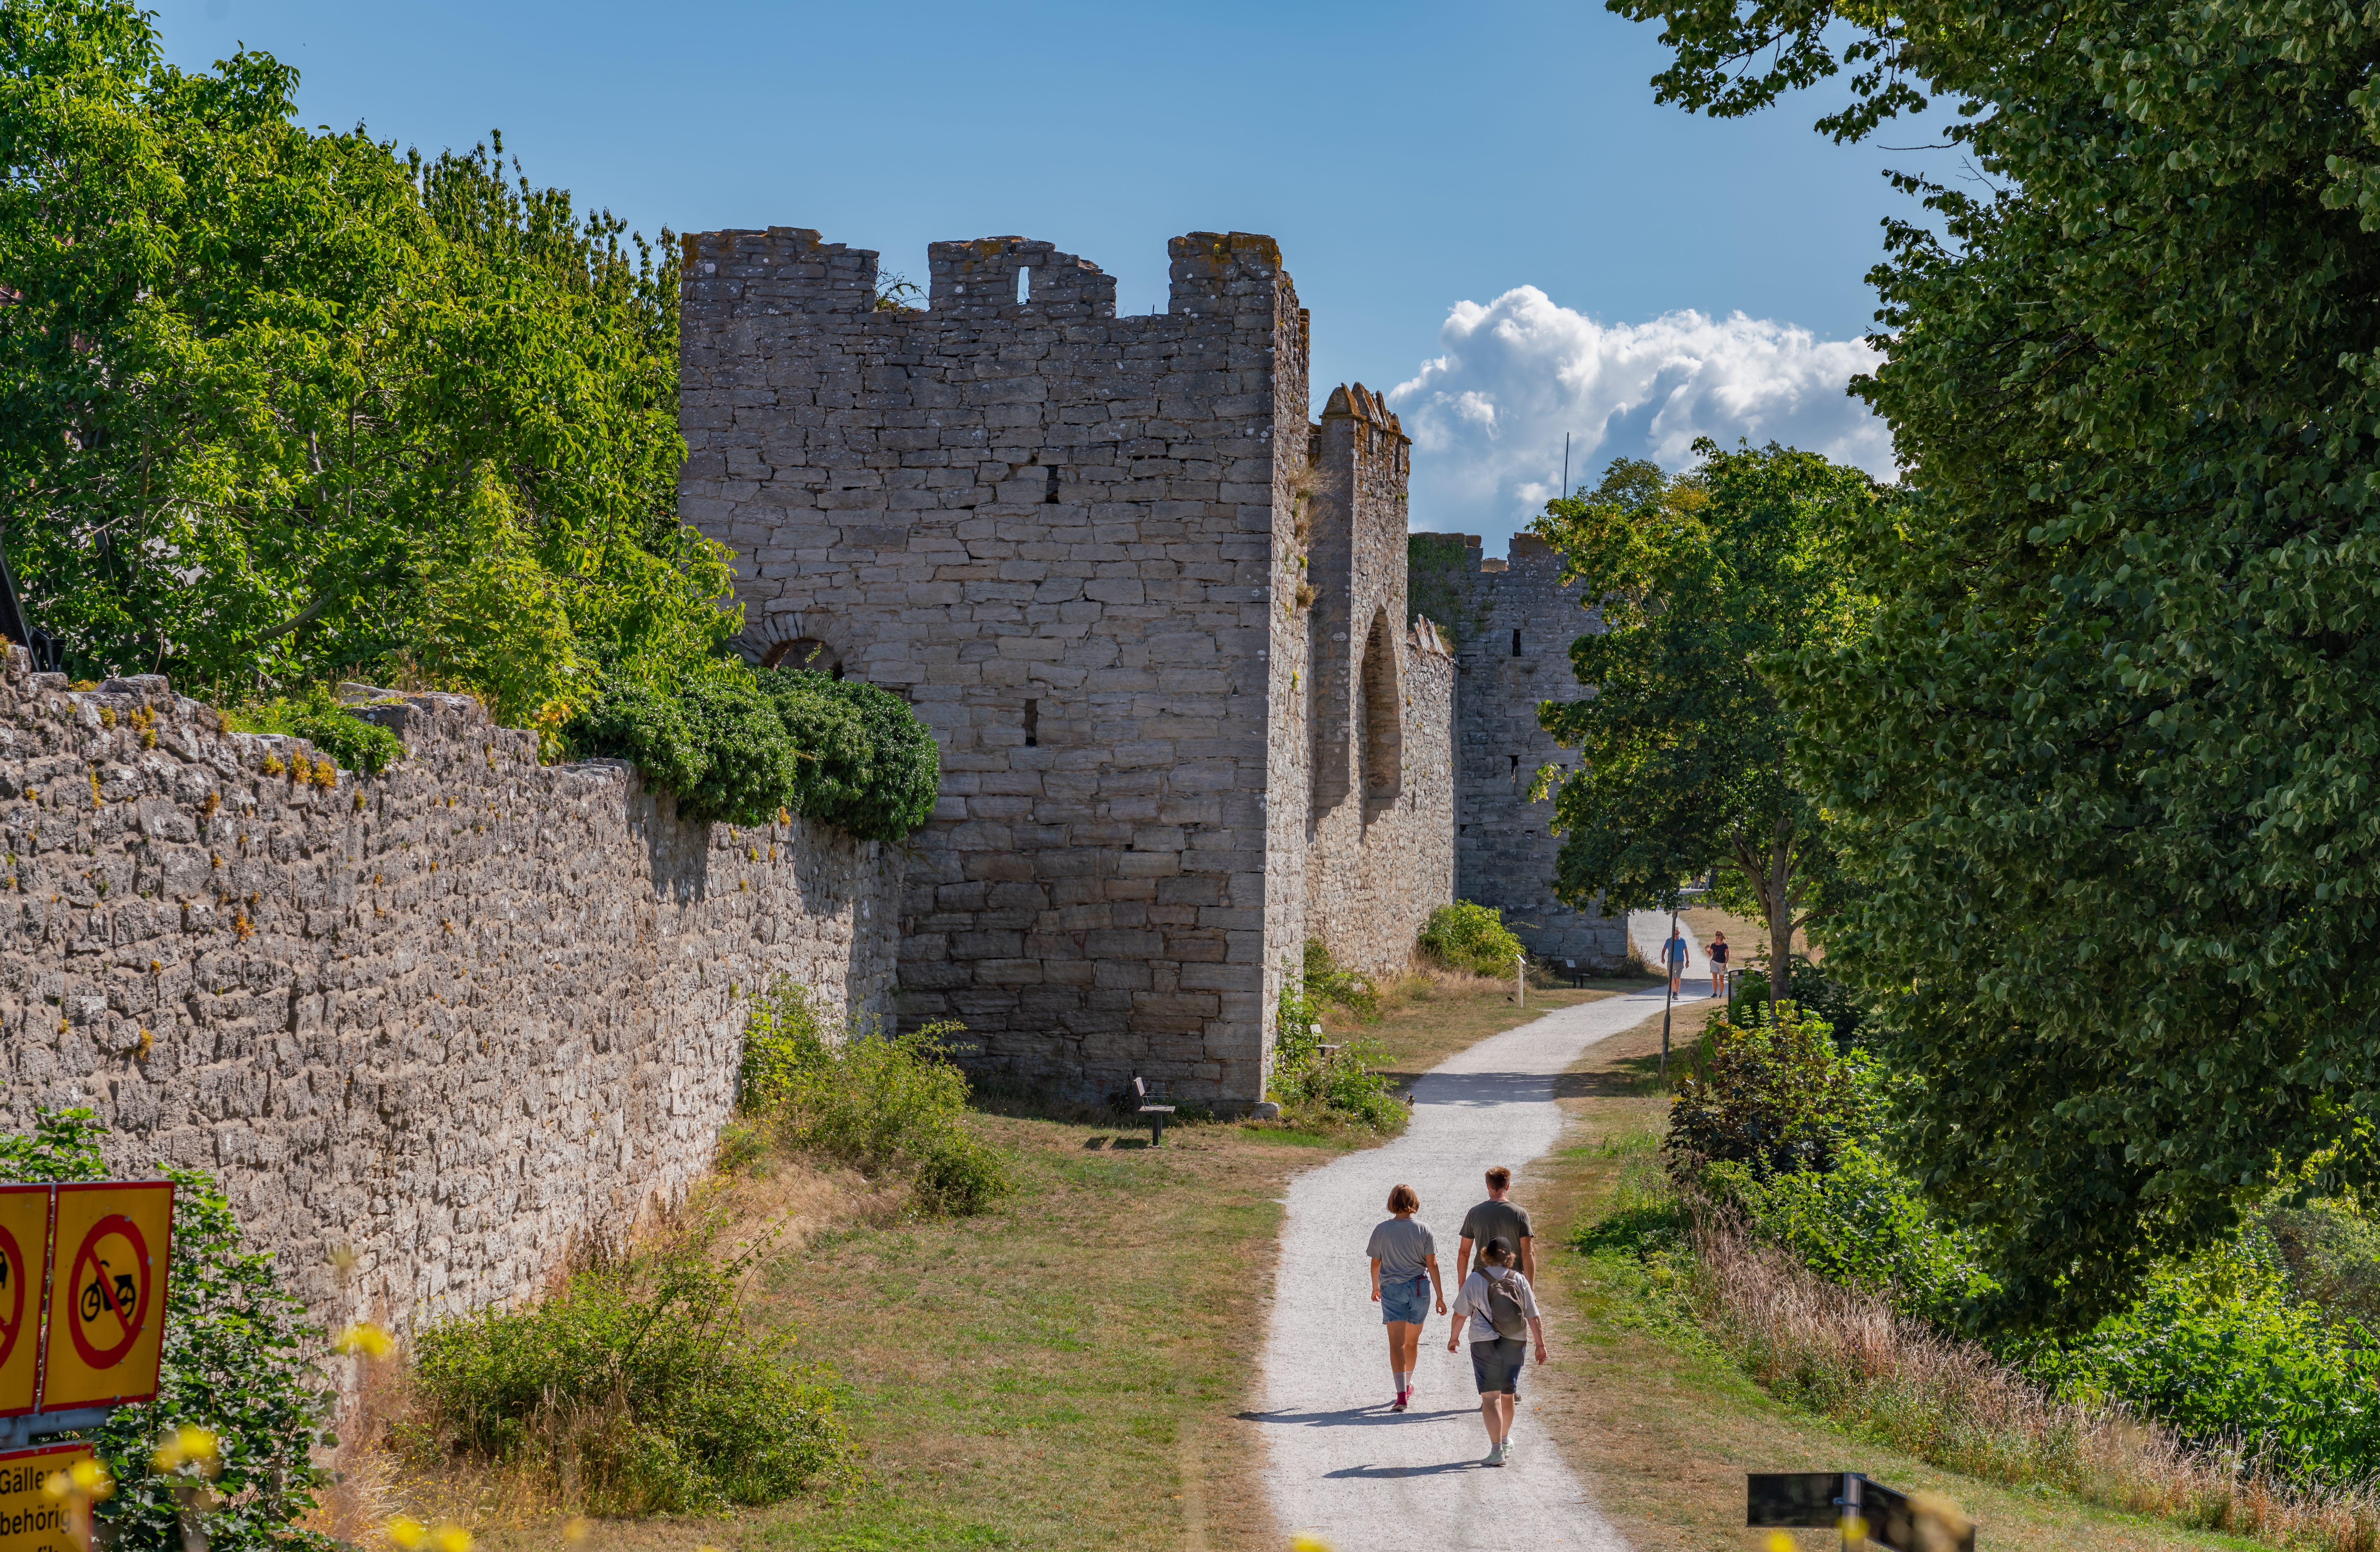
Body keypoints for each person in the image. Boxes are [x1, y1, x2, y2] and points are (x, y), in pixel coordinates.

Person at [1447, 1236, 1546, 1465]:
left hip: (1484, 1342)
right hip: (1515, 1341)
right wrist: (1540, 1344)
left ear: (1486, 1254)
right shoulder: (1519, 1279)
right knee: (1508, 1393)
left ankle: (1496, 1451)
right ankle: (1505, 1440)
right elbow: (1533, 1315)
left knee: (1490, 1396)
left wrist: (1454, 1338)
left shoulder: (1475, 1279)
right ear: (1510, 1257)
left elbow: (1460, 1313)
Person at [1367, 1183, 1446, 1413]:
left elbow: (1375, 1262)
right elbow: (1432, 1264)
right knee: (1412, 1341)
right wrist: (1440, 1297)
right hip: (1419, 1288)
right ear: (1414, 1202)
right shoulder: (1424, 1229)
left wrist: (1375, 1286)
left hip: (1392, 1289)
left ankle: (1402, 1395)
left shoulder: (1382, 1229)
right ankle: (1409, 1382)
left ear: (1392, 1203)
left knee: (1396, 1344)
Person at [1457, 1166, 1535, 1284]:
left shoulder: (1475, 1213)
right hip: (1512, 1281)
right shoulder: (1520, 1214)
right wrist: (1531, 1290)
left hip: (1482, 1280)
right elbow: (1528, 1253)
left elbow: (1464, 1254)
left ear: (1488, 1186)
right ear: (1508, 1186)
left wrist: (1462, 1287)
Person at [1663, 926, 1689, 996]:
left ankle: (1677, 993)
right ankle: (1674, 991)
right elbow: (1664, 950)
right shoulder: (1669, 941)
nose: (1676, 935)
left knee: (1678, 978)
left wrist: (1688, 961)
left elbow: (1686, 952)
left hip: (1679, 962)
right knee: (1671, 978)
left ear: (1679, 933)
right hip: (1670, 962)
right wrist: (1663, 958)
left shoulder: (1682, 941)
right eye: (1675, 934)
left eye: (1677, 934)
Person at [1708, 931, 1729, 1000]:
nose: (1717, 936)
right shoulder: (1713, 945)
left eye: (1719, 935)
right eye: (1716, 935)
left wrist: (1725, 964)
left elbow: (1728, 956)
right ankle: (1715, 993)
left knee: (1721, 980)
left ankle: (1721, 995)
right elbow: (1710, 955)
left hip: (1723, 963)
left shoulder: (1725, 945)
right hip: (1715, 962)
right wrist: (1706, 949)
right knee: (1714, 978)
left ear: (1722, 936)